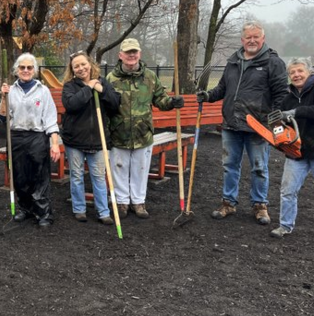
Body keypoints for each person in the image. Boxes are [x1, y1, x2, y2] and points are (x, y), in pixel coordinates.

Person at [197, 21, 287, 224]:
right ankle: (228, 202)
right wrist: (208, 96)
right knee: (230, 165)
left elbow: (282, 94)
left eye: (256, 37)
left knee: (259, 167)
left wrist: (274, 121)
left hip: (258, 126)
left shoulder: (273, 63)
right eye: (248, 37)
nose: (252, 40)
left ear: (263, 39)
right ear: (242, 40)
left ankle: (260, 205)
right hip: (231, 124)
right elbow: (222, 88)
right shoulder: (233, 61)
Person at [106, 38, 184, 219]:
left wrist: (172, 102)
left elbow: (160, 100)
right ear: (120, 56)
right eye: (128, 52)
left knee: (140, 169)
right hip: (119, 132)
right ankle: (122, 202)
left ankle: (138, 201)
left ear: (139, 54)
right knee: (119, 168)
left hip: (143, 133)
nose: (131, 55)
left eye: (134, 52)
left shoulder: (149, 77)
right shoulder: (111, 79)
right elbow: (106, 107)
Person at [268, 58, 314, 250]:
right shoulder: (287, 95)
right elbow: (281, 122)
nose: (296, 75)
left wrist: (295, 112)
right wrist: (278, 135)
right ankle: (285, 226)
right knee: (287, 190)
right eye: (292, 73)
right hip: (297, 152)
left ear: (308, 72)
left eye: (300, 71)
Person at [0, 53, 61, 227]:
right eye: (22, 67)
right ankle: (25, 209)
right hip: (16, 137)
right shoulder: (11, 90)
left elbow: (50, 119)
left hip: (37, 137)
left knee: (40, 176)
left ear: (34, 70)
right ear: (16, 70)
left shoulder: (43, 90)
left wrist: (54, 143)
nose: (25, 70)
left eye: (29, 67)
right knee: (20, 176)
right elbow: (2, 117)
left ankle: (43, 213)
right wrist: (3, 97)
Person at [61, 51, 120, 224]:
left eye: (83, 64)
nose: (81, 68)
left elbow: (115, 104)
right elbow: (71, 105)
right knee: (77, 176)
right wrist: (88, 88)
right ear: (72, 70)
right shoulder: (70, 86)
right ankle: (79, 209)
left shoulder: (103, 82)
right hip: (75, 140)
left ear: (90, 64)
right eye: (76, 66)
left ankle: (103, 211)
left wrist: (101, 90)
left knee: (99, 176)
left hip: (98, 140)